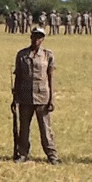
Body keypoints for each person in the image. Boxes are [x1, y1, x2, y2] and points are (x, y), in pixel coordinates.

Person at [11, 27, 60, 164]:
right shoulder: (22, 55)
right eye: (35, 36)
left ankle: (52, 155)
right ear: (30, 37)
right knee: (24, 128)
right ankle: (22, 154)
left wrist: (51, 98)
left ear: (43, 39)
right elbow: (18, 76)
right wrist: (15, 97)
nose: (37, 39)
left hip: (42, 96)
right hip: (25, 96)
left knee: (45, 128)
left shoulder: (47, 55)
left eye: (40, 37)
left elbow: (50, 77)